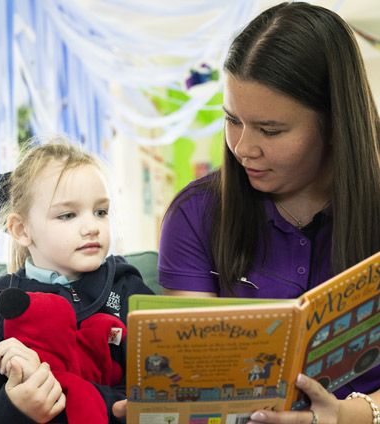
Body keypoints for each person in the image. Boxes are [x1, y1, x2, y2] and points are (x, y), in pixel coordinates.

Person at [158, 2, 380, 424]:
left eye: (270, 130)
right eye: (232, 120)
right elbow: (194, 376)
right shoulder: (195, 214)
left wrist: (346, 416)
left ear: (335, 124)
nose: (243, 148)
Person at [0, 138, 153, 423]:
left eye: (101, 212)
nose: (92, 227)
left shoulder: (127, 288)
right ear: (21, 229)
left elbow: (166, 378)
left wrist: (110, 405)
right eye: (67, 215)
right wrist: (13, 408)